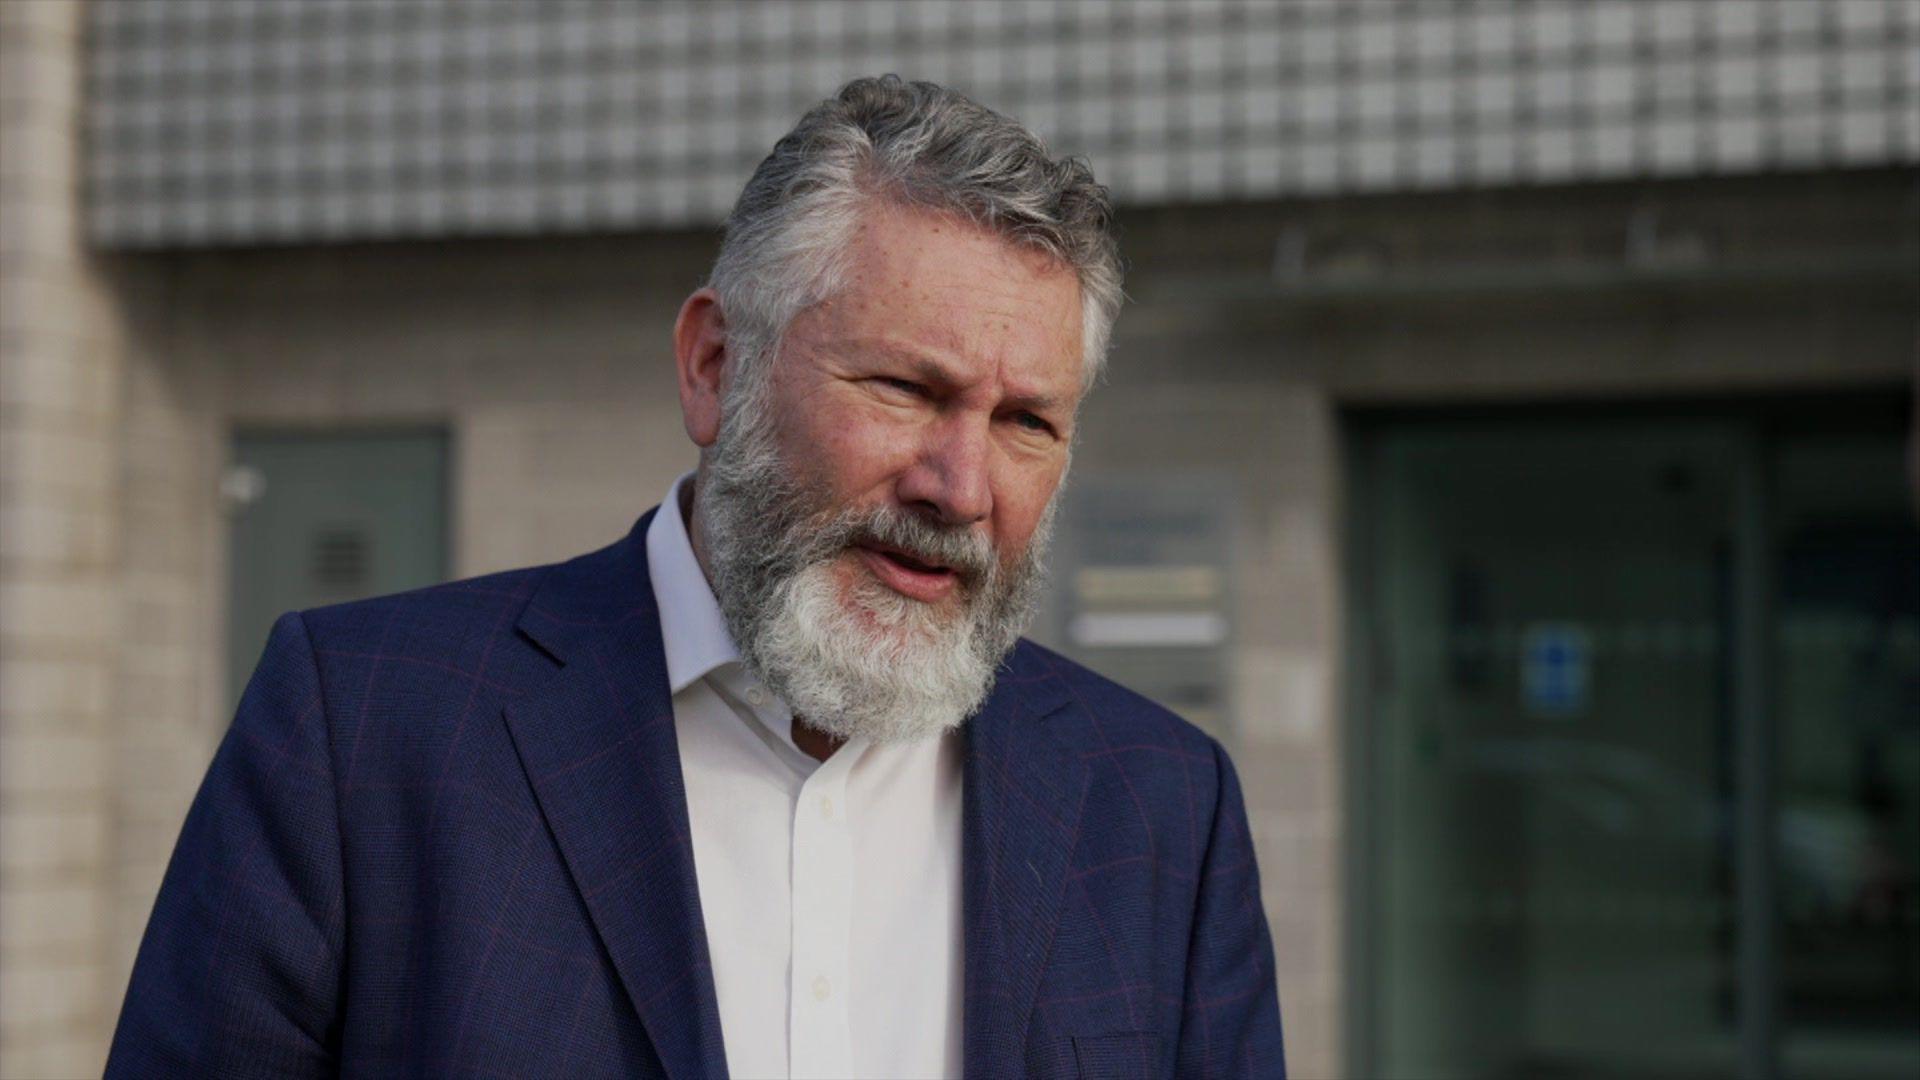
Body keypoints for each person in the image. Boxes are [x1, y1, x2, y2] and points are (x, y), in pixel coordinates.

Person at [106, 76, 1284, 1080]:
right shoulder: (360, 728)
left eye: (1026, 421)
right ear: (716, 367)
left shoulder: (1165, 810)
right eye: (904, 390)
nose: (960, 486)